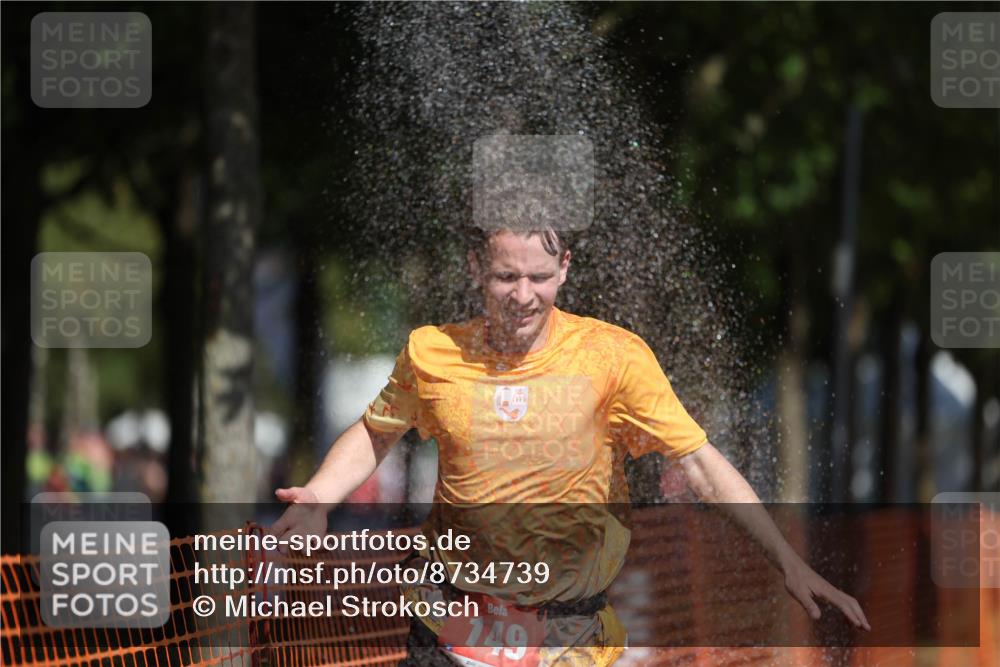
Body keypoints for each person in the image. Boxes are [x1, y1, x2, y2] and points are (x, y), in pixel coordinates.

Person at [272, 224, 870, 666]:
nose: (523, 295)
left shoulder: (614, 357)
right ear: (476, 268)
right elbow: (377, 431)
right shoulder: (434, 353)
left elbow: (700, 463)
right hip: (452, 621)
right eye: (507, 276)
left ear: (565, 269)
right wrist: (320, 496)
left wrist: (789, 563)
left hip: (569, 636)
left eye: (538, 276)